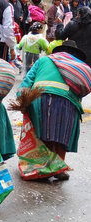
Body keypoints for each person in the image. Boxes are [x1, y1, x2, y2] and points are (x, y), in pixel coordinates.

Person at [17, 40, 89, 180]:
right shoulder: (78, 66)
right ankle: (58, 168)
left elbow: (27, 81)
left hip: (39, 98)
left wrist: (22, 101)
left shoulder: (44, 60)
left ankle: (42, 167)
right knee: (62, 136)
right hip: (67, 101)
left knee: (42, 133)